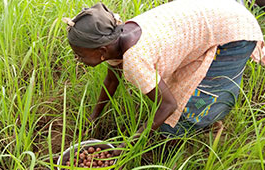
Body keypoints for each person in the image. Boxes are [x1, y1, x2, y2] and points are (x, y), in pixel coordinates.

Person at [62, 0, 264, 156]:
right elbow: (111, 81)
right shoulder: (116, 41)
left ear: (102, 51)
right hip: (215, 13)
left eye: (80, 54)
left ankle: (206, 122)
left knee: (189, 112)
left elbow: (168, 105)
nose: (77, 59)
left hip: (234, 30)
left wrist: (132, 142)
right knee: (181, 86)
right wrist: (93, 117)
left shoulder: (134, 60)